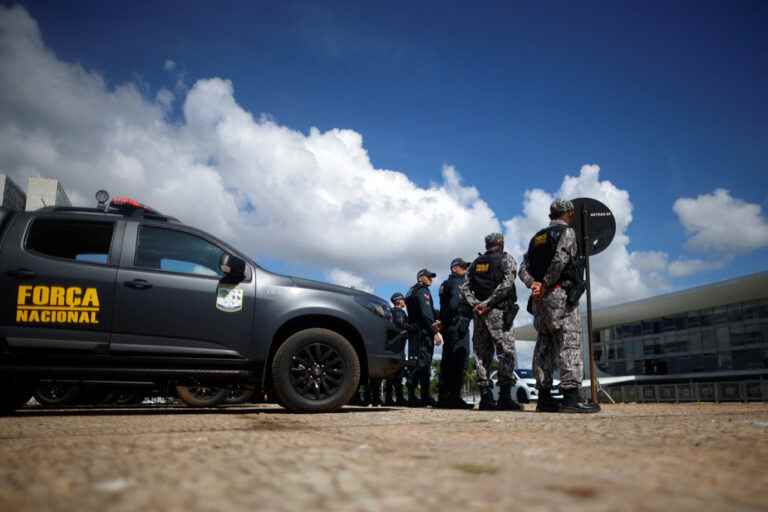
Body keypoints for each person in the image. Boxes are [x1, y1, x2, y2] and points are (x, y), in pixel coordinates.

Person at [518, 198, 599, 414]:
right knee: (568, 343)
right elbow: (560, 260)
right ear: (569, 214)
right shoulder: (567, 233)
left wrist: (533, 285)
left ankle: (544, 399)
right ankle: (571, 399)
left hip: (540, 300)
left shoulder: (536, 238)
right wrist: (544, 284)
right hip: (560, 294)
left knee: (544, 345)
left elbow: (522, 268)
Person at [460, 233, 521, 411]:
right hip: (498, 313)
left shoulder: (475, 264)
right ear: (501, 243)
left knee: (481, 354)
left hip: (479, 314)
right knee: (506, 352)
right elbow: (507, 283)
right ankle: (504, 398)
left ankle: (485, 398)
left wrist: (477, 305)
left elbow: (464, 288)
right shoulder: (506, 259)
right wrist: (488, 304)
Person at [436, 258, 474, 409]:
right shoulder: (457, 282)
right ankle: (454, 397)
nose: (466, 271)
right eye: (463, 268)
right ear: (454, 269)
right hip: (458, 326)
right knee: (459, 360)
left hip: (449, 326)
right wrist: (462, 316)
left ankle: (444, 397)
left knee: (448, 361)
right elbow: (454, 304)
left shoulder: (445, 284)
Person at [405, 269, 441, 407]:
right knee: (424, 363)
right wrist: (435, 332)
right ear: (420, 277)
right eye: (429, 277)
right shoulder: (423, 291)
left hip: (414, 332)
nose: (431, 279)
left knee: (416, 362)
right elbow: (426, 314)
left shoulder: (411, 291)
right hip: (423, 332)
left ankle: (414, 396)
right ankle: (423, 395)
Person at [384, 292, 409, 406]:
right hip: (398, 347)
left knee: (390, 374)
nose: (404, 301)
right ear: (398, 301)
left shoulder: (389, 313)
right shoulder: (399, 313)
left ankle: (389, 398)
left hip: (391, 347)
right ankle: (398, 398)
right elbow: (401, 325)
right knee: (397, 374)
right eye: (403, 299)